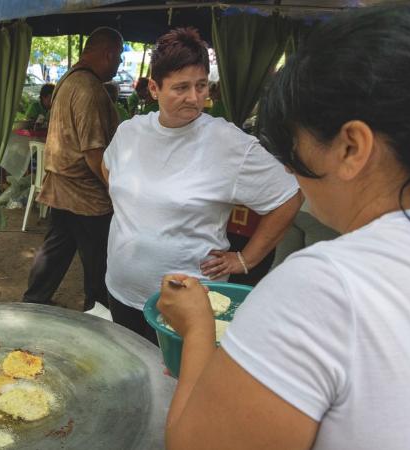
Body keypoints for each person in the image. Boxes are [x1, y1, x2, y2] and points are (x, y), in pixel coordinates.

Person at [157, 6, 410, 448]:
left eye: (294, 149)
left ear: (352, 148)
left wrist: (198, 327)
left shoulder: (323, 287)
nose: (289, 169)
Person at [101, 27, 300, 343]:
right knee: (135, 378)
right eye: (181, 87)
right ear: (154, 88)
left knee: (178, 386)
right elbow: (109, 170)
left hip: (187, 300)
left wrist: (245, 259)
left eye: (201, 86)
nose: (194, 98)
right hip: (122, 291)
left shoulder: (228, 143)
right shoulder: (130, 132)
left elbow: (288, 196)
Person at [22, 27, 123, 312]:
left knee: (56, 248)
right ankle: (99, 310)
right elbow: (93, 152)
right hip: (85, 193)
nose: (118, 67)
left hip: (63, 185)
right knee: (97, 259)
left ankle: (34, 301)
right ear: (108, 54)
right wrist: (112, 186)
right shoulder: (89, 88)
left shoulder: (68, 80)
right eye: (117, 60)